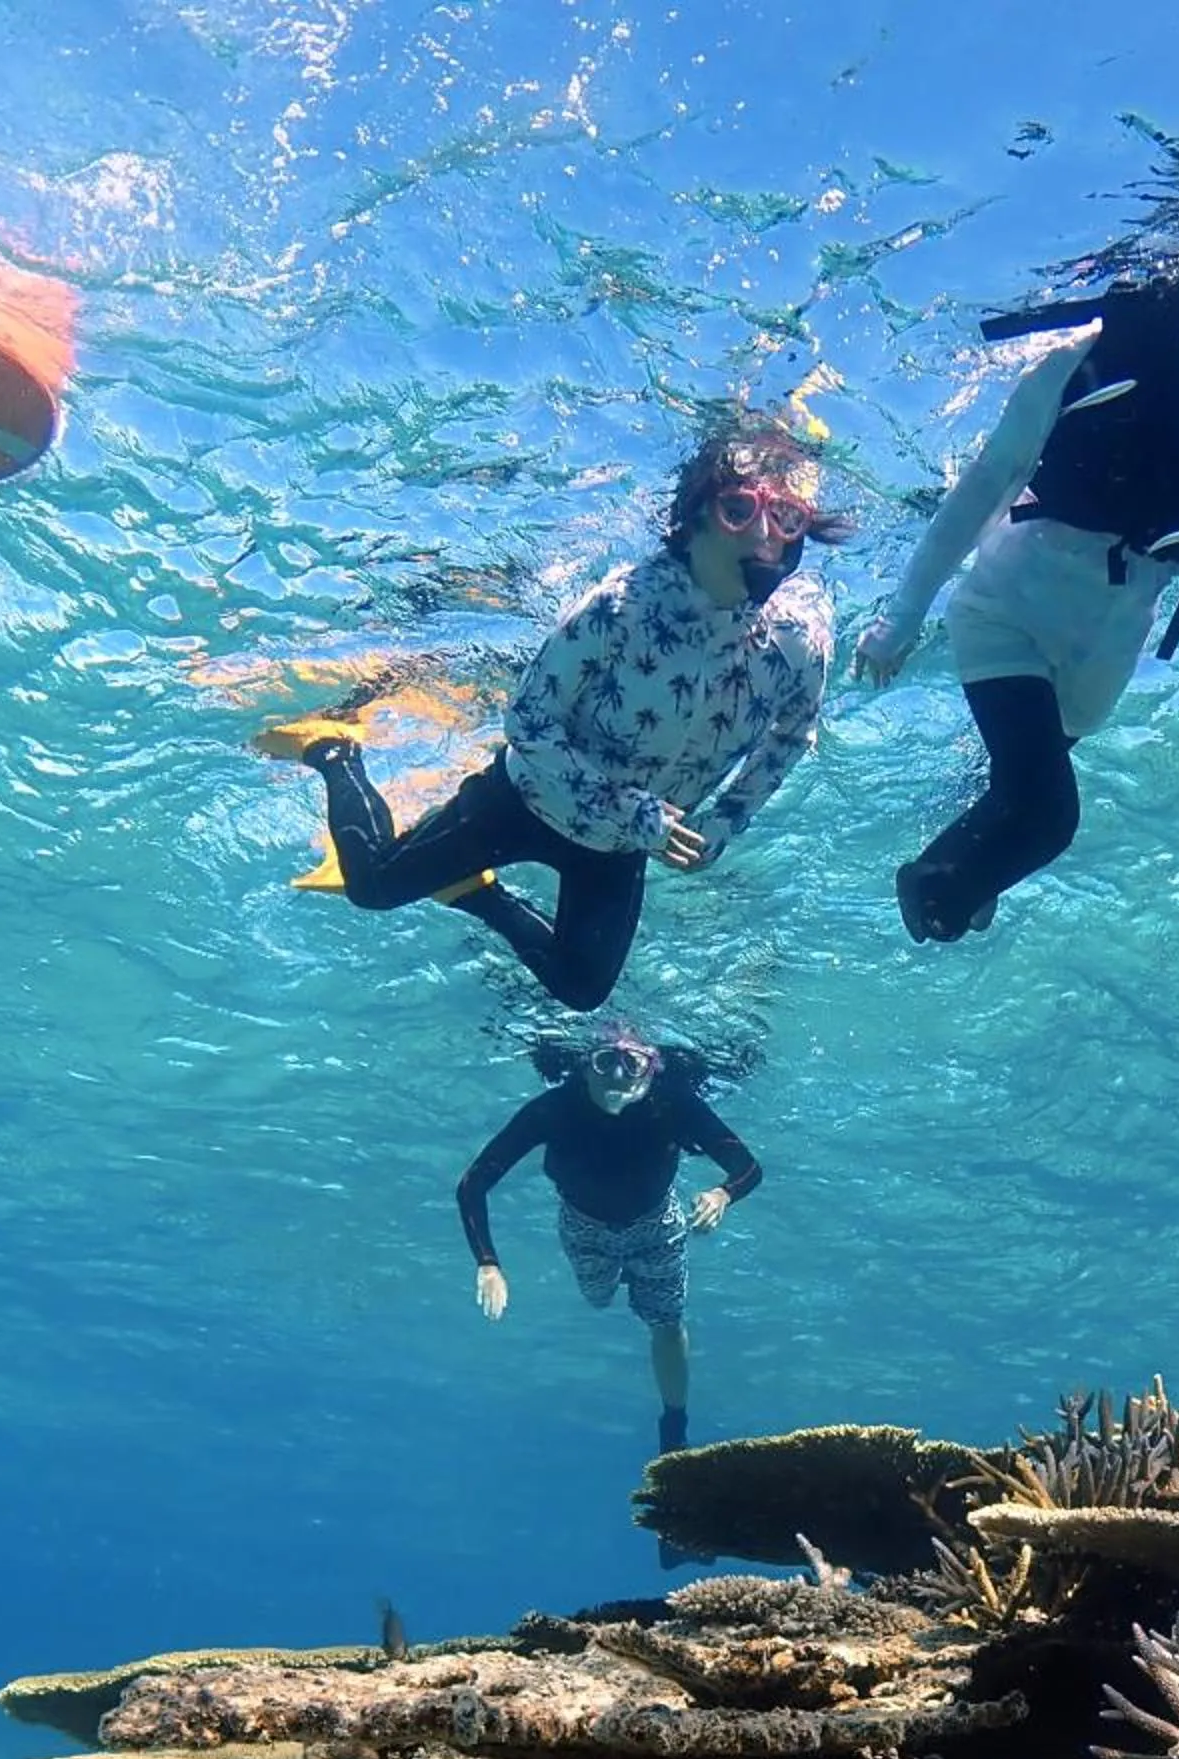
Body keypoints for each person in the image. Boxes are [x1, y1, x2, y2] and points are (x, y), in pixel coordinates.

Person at [852, 163, 1179, 943]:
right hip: (1011, 606)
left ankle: (955, 865)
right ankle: (931, 892)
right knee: (1046, 815)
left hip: (1110, 643)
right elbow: (983, 487)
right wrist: (902, 617)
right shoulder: (1085, 360)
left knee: (1016, 798)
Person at [253, 419, 850, 1010]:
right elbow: (529, 724)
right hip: (524, 801)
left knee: (582, 990)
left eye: (786, 518)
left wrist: (724, 823)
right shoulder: (620, 608)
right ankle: (332, 751)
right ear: (692, 521)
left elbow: (792, 736)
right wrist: (635, 813)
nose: (765, 537)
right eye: (739, 511)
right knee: (373, 887)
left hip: (619, 844)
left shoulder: (798, 640)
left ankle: (475, 895)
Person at [455, 1024, 760, 1462]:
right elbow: (473, 1184)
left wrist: (722, 1194)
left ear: (652, 1070)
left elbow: (748, 1167)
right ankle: (630, 1287)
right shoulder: (553, 1110)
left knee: (666, 1322)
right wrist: (487, 1262)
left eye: (633, 1063)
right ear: (585, 1066)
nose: (618, 1075)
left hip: (658, 1224)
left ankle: (673, 1429)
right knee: (598, 1298)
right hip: (584, 1229)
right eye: (605, 1061)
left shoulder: (673, 1104)